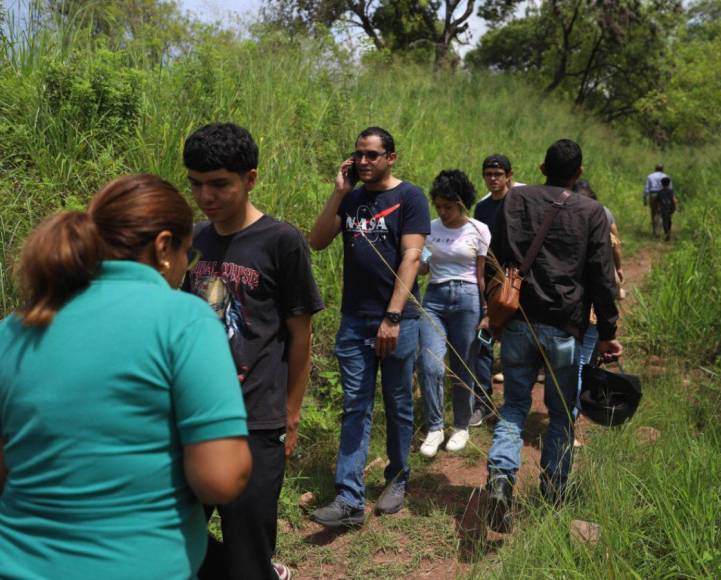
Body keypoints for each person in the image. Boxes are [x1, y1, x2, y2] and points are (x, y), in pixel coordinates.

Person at [0, 175, 252, 579]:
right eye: (188, 251)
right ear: (164, 247)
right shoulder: (183, 319)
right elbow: (220, 478)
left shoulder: (13, 330)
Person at [183, 123, 323, 580]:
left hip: (257, 420)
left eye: (220, 183)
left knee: (248, 545)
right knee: (178, 542)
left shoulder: (281, 242)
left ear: (251, 178)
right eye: (196, 183)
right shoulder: (192, 240)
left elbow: (300, 334)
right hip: (195, 418)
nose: (207, 195)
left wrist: (291, 412)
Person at [484, 140, 622, 531]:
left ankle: (500, 479)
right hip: (565, 326)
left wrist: (490, 312)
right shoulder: (591, 211)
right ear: (578, 173)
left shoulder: (516, 200)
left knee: (513, 407)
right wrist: (608, 331)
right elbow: (601, 276)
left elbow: (496, 259)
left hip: (517, 320)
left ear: (542, 167)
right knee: (561, 412)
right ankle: (555, 488)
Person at [308, 127, 430, 527]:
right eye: (358, 154)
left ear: (391, 157)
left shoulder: (409, 197)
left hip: (398, 319)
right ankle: (349, 500)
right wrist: (340, 192)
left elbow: (411, 258)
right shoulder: (354, 198)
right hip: (353, 318)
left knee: (397, 402)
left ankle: (397, 477)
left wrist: (392, 317)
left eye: (372, 155)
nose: (363, 161)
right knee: (356, 405)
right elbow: (318, 240)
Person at [417, 170, 491, 458]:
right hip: (434, 298)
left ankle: (461, 425)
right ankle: (434, 427)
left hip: (468, 298)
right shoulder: (430, 228)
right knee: (430, 364)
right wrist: (419, 257)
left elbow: (482, 275)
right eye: (439, 206)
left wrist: (486, 311)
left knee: (463, 365)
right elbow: (423, 266)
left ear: (462, 202)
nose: (443, 212)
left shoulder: (479, 229)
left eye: (449, 206)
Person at [471, 155, 525, 428]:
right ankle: (483, 401)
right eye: (488, 174)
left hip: (517, 280)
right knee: (485, 338)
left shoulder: (519, 201)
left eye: (497, 174)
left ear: (509, 175)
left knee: (516, 343)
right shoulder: (481, 208)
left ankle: (515, 405)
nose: (493, 179)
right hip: (491, 281)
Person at [571, 179, 624, 423]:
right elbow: (612, 262)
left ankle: (567, 412)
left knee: (568, 361)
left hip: (565, 305)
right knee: (581, 361)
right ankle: (570, 416)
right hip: (591, 308)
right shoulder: (601, 220)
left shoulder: (562, 222)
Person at [643, 163, 670, 237]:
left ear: (655, 169)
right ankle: (660, 230)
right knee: (661, 213)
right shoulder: (666, 176)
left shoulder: (650, 176)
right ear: (663, 169)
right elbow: (670, 188)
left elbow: (646, 189)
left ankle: (655, 231)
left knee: (653, 213)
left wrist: (645, 199)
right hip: (663, 194)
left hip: (653, 195)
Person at [657, 176, 678, 240]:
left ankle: (667, 233)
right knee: (669, 220)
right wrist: (675, 207)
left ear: (662, 183)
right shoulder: (671, 191)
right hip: (670, 207)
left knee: (664, 221)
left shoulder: (660, 192)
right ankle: (668, 232)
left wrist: (658, 208)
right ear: (669, 183)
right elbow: (674, 200)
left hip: (663, 207)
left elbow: (658, 201)